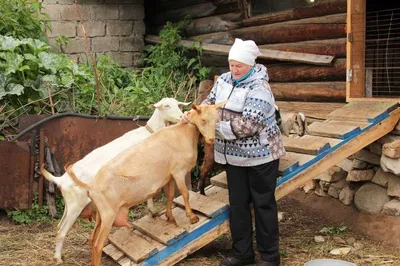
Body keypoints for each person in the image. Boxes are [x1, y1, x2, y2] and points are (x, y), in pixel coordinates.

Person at [183, 38, 285, 266]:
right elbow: (207, 104)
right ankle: (242, 254)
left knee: (263, 205)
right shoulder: (225, 81)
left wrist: (211, 128)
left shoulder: (260, 88)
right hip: (233, 157)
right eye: (231, 64)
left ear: (250, 65)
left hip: (260, 156)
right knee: (237, 204)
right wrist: (193, 115)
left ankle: (269, 258)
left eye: (239, 65)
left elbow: (248, 126)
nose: (234, 69)